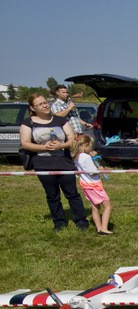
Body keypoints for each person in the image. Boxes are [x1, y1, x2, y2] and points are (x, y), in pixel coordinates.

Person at [19, 92, 89, 231]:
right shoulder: (28, 123)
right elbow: (25, 143)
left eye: (45, 102)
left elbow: (72, 139)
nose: (45, 106)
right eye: (40, 104)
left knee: (72, 193)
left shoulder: (60, 121)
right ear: (33, 108)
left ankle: (81, 222)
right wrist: (43, 147)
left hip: (64, 162)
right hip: (43, 164)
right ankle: (59, 223)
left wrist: (61, 146)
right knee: (52, 195)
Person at [72, 134, 112, 235]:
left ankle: (99, 228)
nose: (91, 148)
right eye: (90, 146)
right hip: (94, 185)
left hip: (85, 184)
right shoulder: (85, 157)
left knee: (95, 207)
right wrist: (100, 169)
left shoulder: (76, 156)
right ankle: (104, 228)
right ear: (86, 145)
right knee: (107, 206)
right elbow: (92, 171)